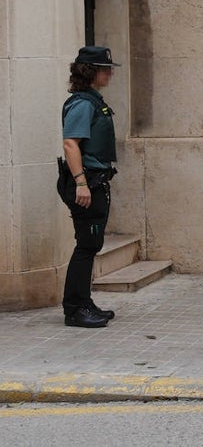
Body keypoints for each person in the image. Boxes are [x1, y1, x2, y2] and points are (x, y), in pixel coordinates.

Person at [59, 46, 122, 328]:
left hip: (96, 180)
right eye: (104, 68)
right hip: (88, 182)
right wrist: (81, 183)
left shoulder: (92, 101)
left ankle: (83, 301)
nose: (109, 73)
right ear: (90, 71)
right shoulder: (83, 103)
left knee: (91, 244)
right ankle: (74, 309)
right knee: (86, 245)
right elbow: (71, 143)